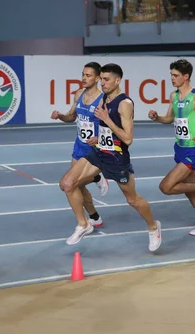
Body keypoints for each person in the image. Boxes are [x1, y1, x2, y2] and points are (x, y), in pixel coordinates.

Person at [59, 63, 161, 251]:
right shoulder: (103, 98)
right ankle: (84, 224)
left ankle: (153, 227)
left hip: (116, 157)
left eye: (106, 80)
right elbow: (107, 129)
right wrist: (98, 137)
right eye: (102, 79)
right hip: (98, 152)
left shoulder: (125, 103)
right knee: (67, 183)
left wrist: (106, 120)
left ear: (117, 80)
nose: (103, 83)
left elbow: (128, 139)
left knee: (133, 200)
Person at [148, 59, 195, 236]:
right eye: (171, 75)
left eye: (175, 75)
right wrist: (157, 117)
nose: (172, 78)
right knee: (186, 189)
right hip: (180, 148)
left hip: (193, 149)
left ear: (186, 76)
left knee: (166, 187)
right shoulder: (174, 96)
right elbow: (169, 119)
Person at [51, 62, 109, 228]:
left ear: (97, 78)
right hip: (79, 146)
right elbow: (71, 116)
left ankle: (97, 176)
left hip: (95, 149)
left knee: (73, 183)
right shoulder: (78, 95)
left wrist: (99, 137)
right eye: (83, 74)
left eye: (88, 75)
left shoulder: (103, 99)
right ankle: (94, 216)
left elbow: (111, 125)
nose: (84, 78)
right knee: (78, 186)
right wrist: (60, 116)